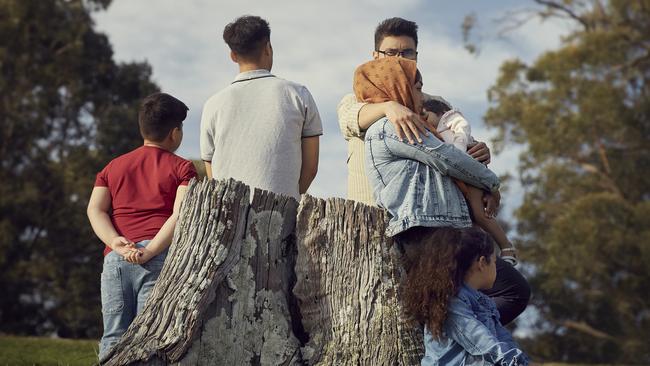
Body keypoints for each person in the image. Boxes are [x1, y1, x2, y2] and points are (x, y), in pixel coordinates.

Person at [354, 57, 530, 325]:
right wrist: (491, 183)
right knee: (513, 291)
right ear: (396, 85)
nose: (421, 96)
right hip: (431, 233)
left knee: (462, 302)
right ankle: (456, 338)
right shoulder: (392, 126)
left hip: (440, 231)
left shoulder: (411, 125)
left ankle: (454, 338)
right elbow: (447, 158)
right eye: (417, 87)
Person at [87, 93, 196, 360]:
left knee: (113, 334)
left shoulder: (112, 167)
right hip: (159, 256)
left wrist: (116, 242)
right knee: (150, 336)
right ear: (174, 133)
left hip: (117, 258)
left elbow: (95, 209)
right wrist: (150, 251)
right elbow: (179, 215)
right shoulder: (183, 168)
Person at [337, 17, 491, 206]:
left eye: (407, 52)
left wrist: (478, 152)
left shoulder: (437, 103)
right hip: (367, 214)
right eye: (391, 53)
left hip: (431, 214)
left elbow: (458, 146)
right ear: (375, 56)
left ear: (416, 56)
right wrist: (388, 107)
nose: (400, 59)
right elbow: (350, 120)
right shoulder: (355, 99)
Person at [200, 15, 322, 200]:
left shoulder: (212, 105)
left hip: (227, 216)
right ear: (268, 48)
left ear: (233, 56)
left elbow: (212, 173)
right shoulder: (298, 94)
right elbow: (311, 168)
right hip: (281, 215)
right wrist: (290, 198)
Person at [401, 227, 529, 365]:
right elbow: (480, 340)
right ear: (481, 263)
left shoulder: (486, 302)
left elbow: (503, 339)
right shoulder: (450, 302)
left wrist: (522, 362)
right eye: (494, 262)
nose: (495, 268)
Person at [422, 99, 517, 264]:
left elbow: (462, 134)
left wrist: (457, 156)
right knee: (472, 212)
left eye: (425, 115)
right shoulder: (436, 130)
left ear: (439, 112)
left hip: (469, 167)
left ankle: (506, 247)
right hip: (463, 170)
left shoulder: (451, 118)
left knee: (479, 213)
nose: (424, 119)